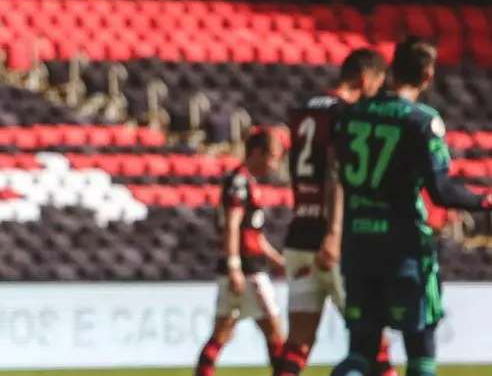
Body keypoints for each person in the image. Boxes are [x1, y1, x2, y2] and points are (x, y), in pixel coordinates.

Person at [330, 37, 492, 376]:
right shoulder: (420, 120)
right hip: (402, 246)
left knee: (360, 352)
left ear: (391, 70)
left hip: (358, 243)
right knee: (420, 351)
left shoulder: (352, 114)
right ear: (428, 75)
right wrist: (484, 200)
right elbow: (442, 191)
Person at [274, 48, 395, 376]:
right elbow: (335, 172)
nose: (377, 91)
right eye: (378, 83)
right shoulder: (347, 114)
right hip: (334, 242)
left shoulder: (301, 112)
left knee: (298, 343)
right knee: (374, 343)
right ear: (364, 78)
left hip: (299, 235)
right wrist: (334, 233)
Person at [195, 129, 287, 376]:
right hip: (248, 271)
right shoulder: (239, 182)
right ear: (257, 153)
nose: (275, 164)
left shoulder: (247, 182)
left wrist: (276, 259)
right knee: (276, 333)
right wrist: (234, 265)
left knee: (221, 333)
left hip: (239, 267)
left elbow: (252, 234)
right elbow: (232, 225)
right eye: (273, 156)